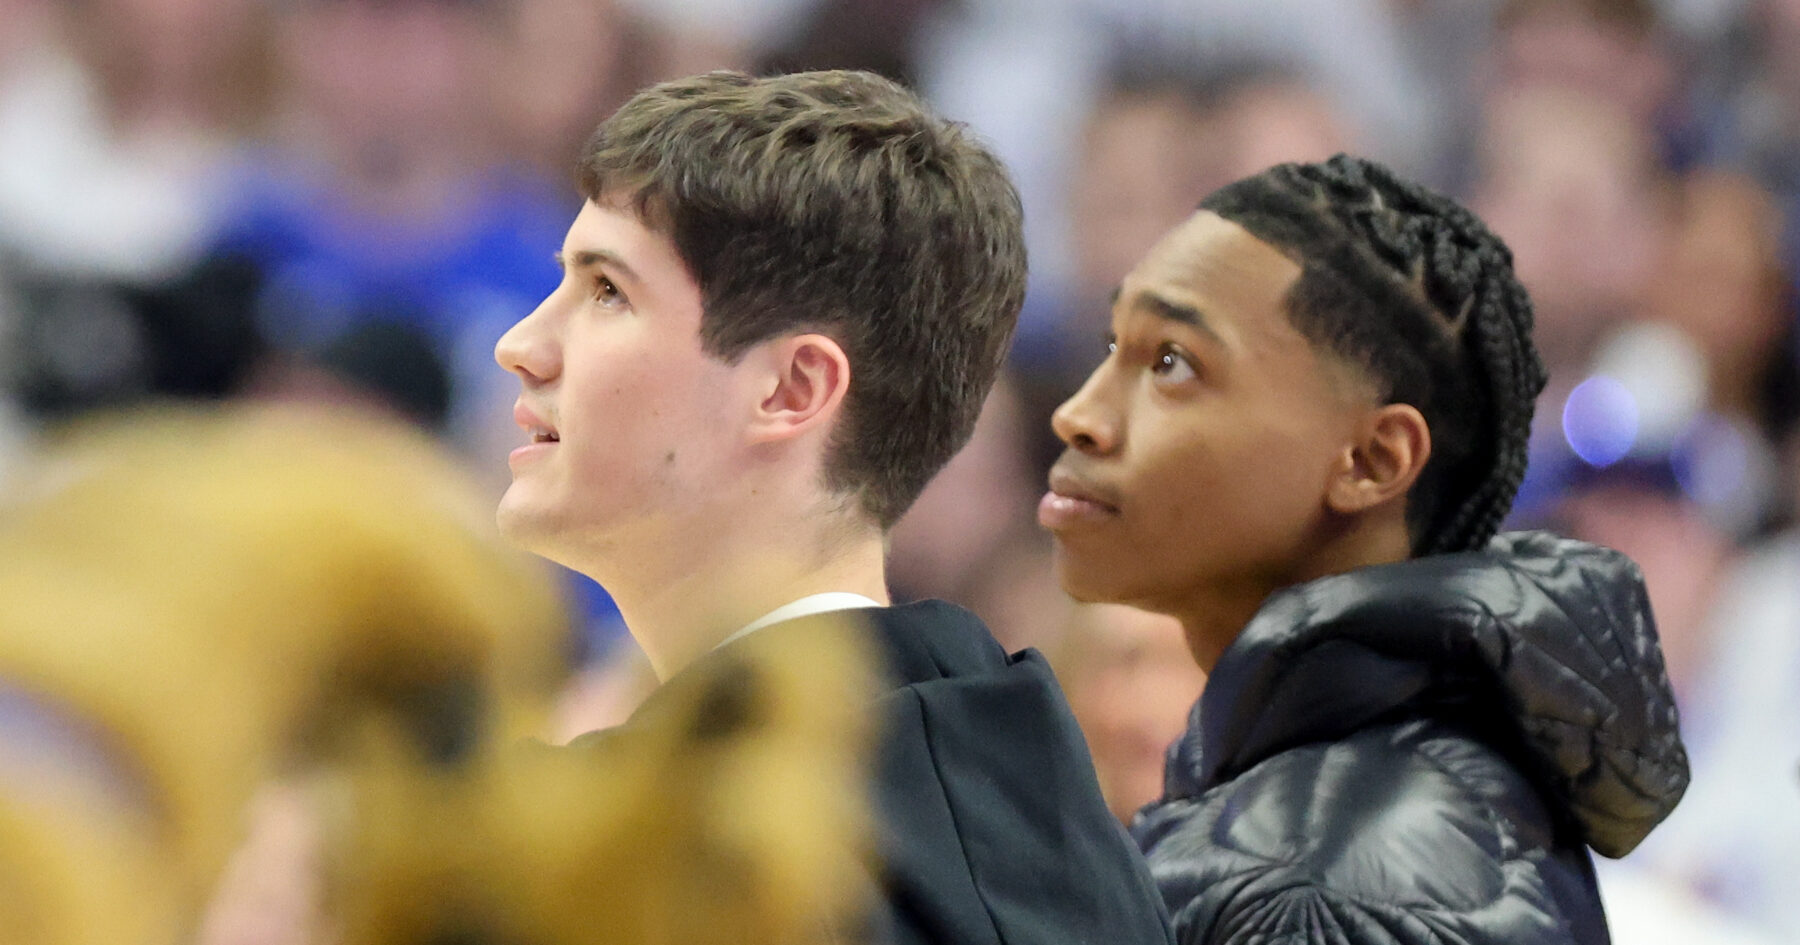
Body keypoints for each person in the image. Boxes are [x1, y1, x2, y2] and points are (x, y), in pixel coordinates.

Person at [493, 69, 1171, 945]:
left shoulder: (704, 865)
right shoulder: (1043, 808)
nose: (522, 345)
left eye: (607, 291)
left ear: (792, 387)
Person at [1039, 154, 1689, 945]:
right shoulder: (1316, 817)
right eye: (1115, 347)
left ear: (1372, 460)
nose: (1081, 414)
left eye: (1172, 362)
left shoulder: (1322, 882)